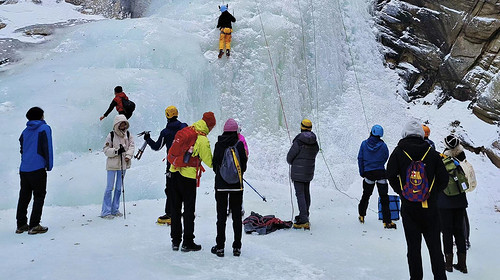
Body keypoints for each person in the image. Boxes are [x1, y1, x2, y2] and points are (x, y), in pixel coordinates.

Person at [387, 120, 449, 280]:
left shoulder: (399, 152)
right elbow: (443, 179)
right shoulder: (432, 153)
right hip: (431, 209)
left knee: (413, 248)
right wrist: (432, 194)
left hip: (409, 208)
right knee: (435, 248)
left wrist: (401, 192)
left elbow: (390, 174)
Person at [169, 112, 215, 252]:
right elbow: (209, 162)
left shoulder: (187, 130)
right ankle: (188, 241)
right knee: (188, 210)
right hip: (188, 177)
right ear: (210, 125)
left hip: (173, 172)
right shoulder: (202, 139)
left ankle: (175, 241)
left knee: (175, 209)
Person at [143, 106, 187, 224]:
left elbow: (157, 147)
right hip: (185, 163)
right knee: (182, 186)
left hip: (171, 164)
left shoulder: (165, 132)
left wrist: (148, 139)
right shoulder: (184, 127)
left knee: (171, 188)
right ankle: (183, 209)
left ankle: (170, 213)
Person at [211, 118, 248, 257]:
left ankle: (220, 247)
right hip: (237, 186)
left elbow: (215, 165)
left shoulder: (218, 145)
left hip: (220, 186)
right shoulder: (239, 145)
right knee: (237, 217)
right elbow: (243, 165)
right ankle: (237, 247)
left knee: (221, 217)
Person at [16, 107, 53, 235]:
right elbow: (47, 148)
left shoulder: (25, 131)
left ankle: (21, 225)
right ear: (41, 116)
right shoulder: (44, 128)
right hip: (37, 168)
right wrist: (49, 165)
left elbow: (22, 149)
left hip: (24, 168)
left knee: (24, 196)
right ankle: (34, 225)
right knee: (39, 195)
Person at [439, 134, 469, 273]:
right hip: (460, 201)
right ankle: (462, 265)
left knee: (447, 233)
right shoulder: (461, 159)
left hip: (445, 203)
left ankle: (448, 264)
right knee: (459, 233)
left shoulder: (443, 160)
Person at [357, 124, 396, 229]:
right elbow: (386, 157)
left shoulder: (364, 144)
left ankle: (362, 215)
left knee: (366, 195)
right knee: (384, 198)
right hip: (381, 173)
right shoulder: (383, 146)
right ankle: (387, 221)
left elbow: (360, 158)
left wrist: (363, 172)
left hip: (368, 173)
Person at [286, 119, 319, 229]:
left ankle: (304, 220)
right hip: (308, 172)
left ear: (301, 127)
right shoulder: (314, 141)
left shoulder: (299, 141)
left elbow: (289, 157)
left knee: (300, 194)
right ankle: (305, 214)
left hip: (298, 173)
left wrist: (294, 162)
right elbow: (316, 151)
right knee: (306, 193)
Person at [101, 115, 135, 219]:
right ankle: (105, 212)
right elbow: (105, 150)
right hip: (112, 165)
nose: (123, 126)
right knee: (109, 188)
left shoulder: (128, 134)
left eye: (124, 123)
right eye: (121, 124)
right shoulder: (111, 135)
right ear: (117, 125)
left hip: (123, 164)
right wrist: (116, 151)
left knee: (119, 188)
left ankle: (115, 209)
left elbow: (132, 146)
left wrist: (128, 156)